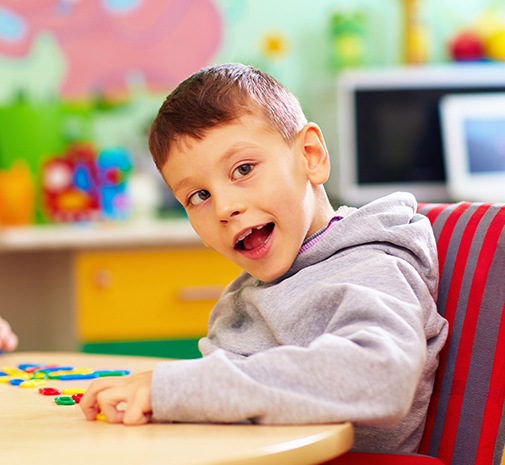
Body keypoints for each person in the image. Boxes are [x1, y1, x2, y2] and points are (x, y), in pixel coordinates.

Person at [80, 63, 448, 454]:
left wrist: (178, 387)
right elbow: (227, 403)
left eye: (243, 169)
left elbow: (381, 376)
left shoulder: (369, 265)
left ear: (310, 155)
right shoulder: (242, 299)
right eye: (198, 196)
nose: (224, 207)